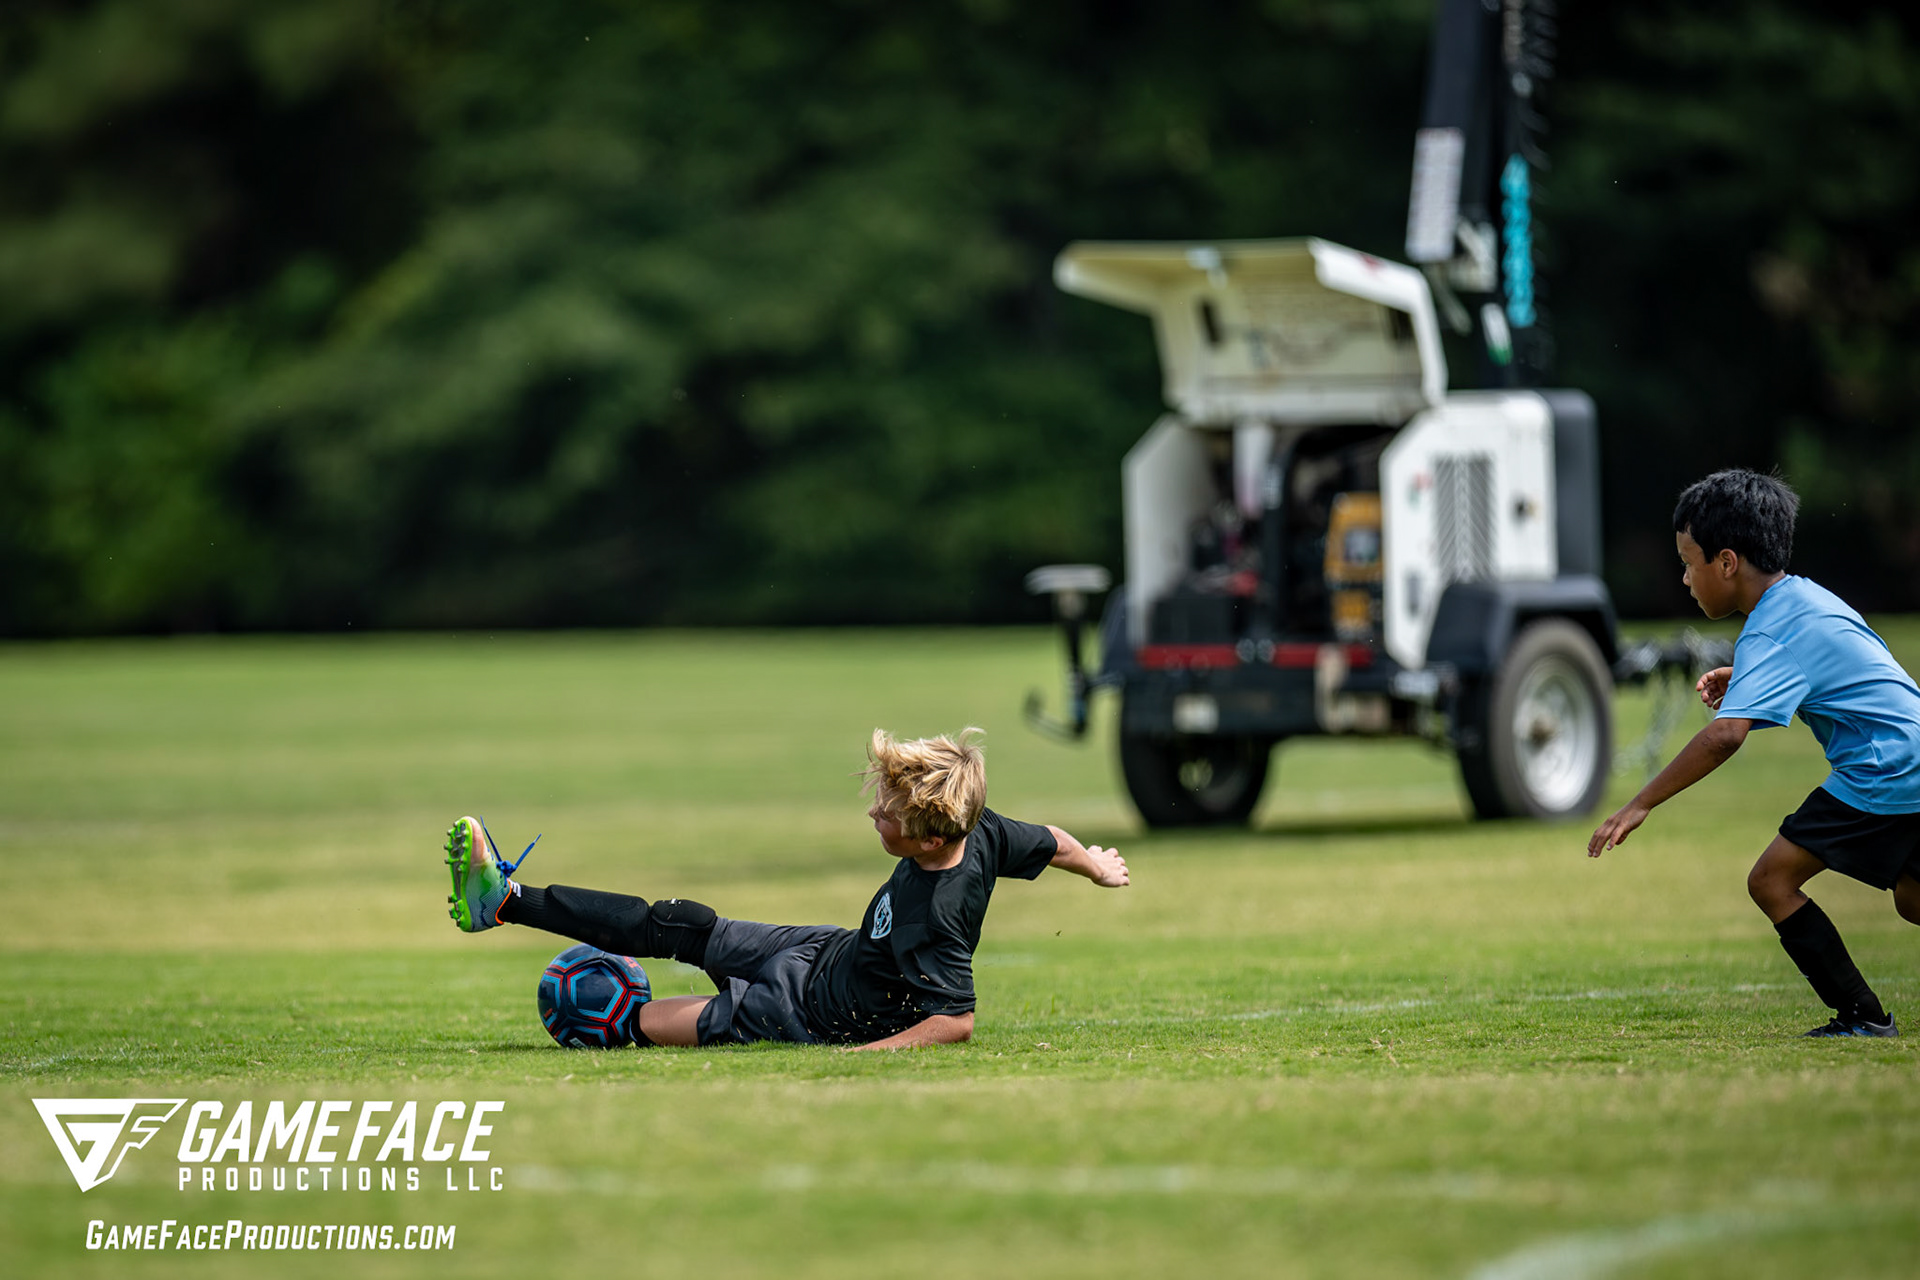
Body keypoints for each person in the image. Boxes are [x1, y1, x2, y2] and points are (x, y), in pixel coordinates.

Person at [443, 727, 1129, 1050]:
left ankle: (613, 1023)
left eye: (887, 815)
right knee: (681, 922)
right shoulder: (981, 828)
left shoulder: (936, 917)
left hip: (809, 1012)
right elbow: (1052, 839)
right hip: (823, 951)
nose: (873, 812)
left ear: (927, 839)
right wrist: (1094, 865)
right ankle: (505, 901)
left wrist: (866, 1056)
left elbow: (956, 1020)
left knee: (642, 1023)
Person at [1588, 469, 1920, 1038]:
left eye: (1688, 563)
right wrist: (1747, 674)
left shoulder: (1769, 631)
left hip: (1885, 768)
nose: (1685, 578)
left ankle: (1862, 1017)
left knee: (1771, 879)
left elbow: (1724, 736)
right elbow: (1837, 670)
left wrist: (1639, 804)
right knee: (1913, 899)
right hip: (1909, 755)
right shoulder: (1805, 598)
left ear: (1726, 563)